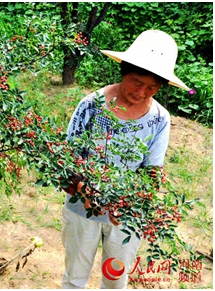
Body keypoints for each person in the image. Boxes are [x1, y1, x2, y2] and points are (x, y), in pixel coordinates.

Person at [61, 30, 190, 289]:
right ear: (124, 71)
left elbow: (152, 172)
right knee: (75, 278)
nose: (142, 92)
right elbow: (67, 160)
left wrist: (134, 204)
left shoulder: (159, 119)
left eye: (152, 88)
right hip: (81, 210)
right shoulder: (92, 105)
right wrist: (83, 190)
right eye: (136, 82)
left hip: (127, 217)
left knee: (115, 280)